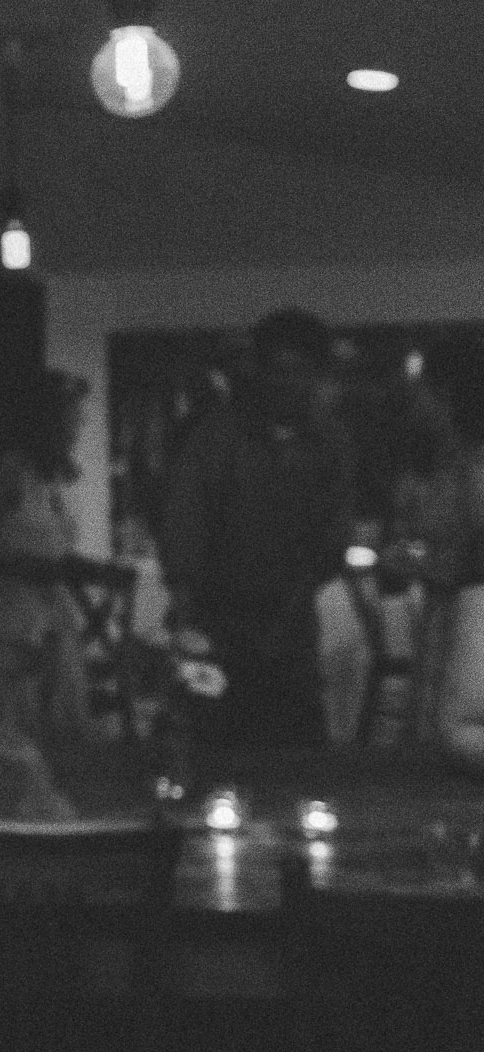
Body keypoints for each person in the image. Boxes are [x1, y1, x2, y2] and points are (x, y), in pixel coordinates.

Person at [158, 308, 355, 746]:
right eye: (278, 369)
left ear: (317, 375)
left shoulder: (330, 442)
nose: (288, 382)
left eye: (301, 371)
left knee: (296, 756)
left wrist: (294, 598)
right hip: (219, 621)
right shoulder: (214, 437)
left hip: (292, 620)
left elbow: (333, 537)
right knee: (214, 750)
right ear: (259, 369)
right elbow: (182, 531)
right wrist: (191, 612)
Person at [0, 369, 92, 738]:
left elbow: (55, 545)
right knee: (9, 733)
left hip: (54, 622)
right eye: (71, 420)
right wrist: (19, 567)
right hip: (9, 623)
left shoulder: (56, 479)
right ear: (47, 422)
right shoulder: (9, 472)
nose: (76, 430)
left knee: (61, 733)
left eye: (78, 420)